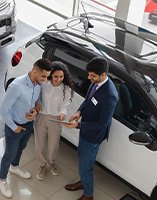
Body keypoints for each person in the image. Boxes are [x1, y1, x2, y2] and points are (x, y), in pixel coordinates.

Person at [63, 57, 118, 200]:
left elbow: (102, 124)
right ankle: (84, 181)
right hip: (85, 128)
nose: (89, 78)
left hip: (93, 135)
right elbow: (88, 100)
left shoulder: (110, 95)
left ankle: (88, 195)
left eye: (92, 76)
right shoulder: (96, 82)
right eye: (89, 74)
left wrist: (78, 125)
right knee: (82, 157)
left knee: (85, 165)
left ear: (103, 75)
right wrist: (79, 112)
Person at [0, 58, 52, 198]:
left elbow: (36, 100)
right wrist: (13, 126)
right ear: (34, 71)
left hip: (28, 125)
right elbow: (3, 109)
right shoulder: (16, 86)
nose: (45, 80)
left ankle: (14, 167)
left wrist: (36, 108)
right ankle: (2, 180)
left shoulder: (38, 83)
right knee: (9, 154)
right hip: (15, 127)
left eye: (47, 77)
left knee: (21, 148)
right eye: (44, 76)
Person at [34, 61, 74, 181]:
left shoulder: (66, 89)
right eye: (56, 76)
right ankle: (42, 165)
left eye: (61, 77)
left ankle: (51, 162)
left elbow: (65, 104)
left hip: (55, 119)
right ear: (51, 75)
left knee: (53, 145)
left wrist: (63, 114)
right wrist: (37, 103)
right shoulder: (43, 84)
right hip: (41, 117)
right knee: (39, 144)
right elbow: (36, 96)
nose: (59, 79)